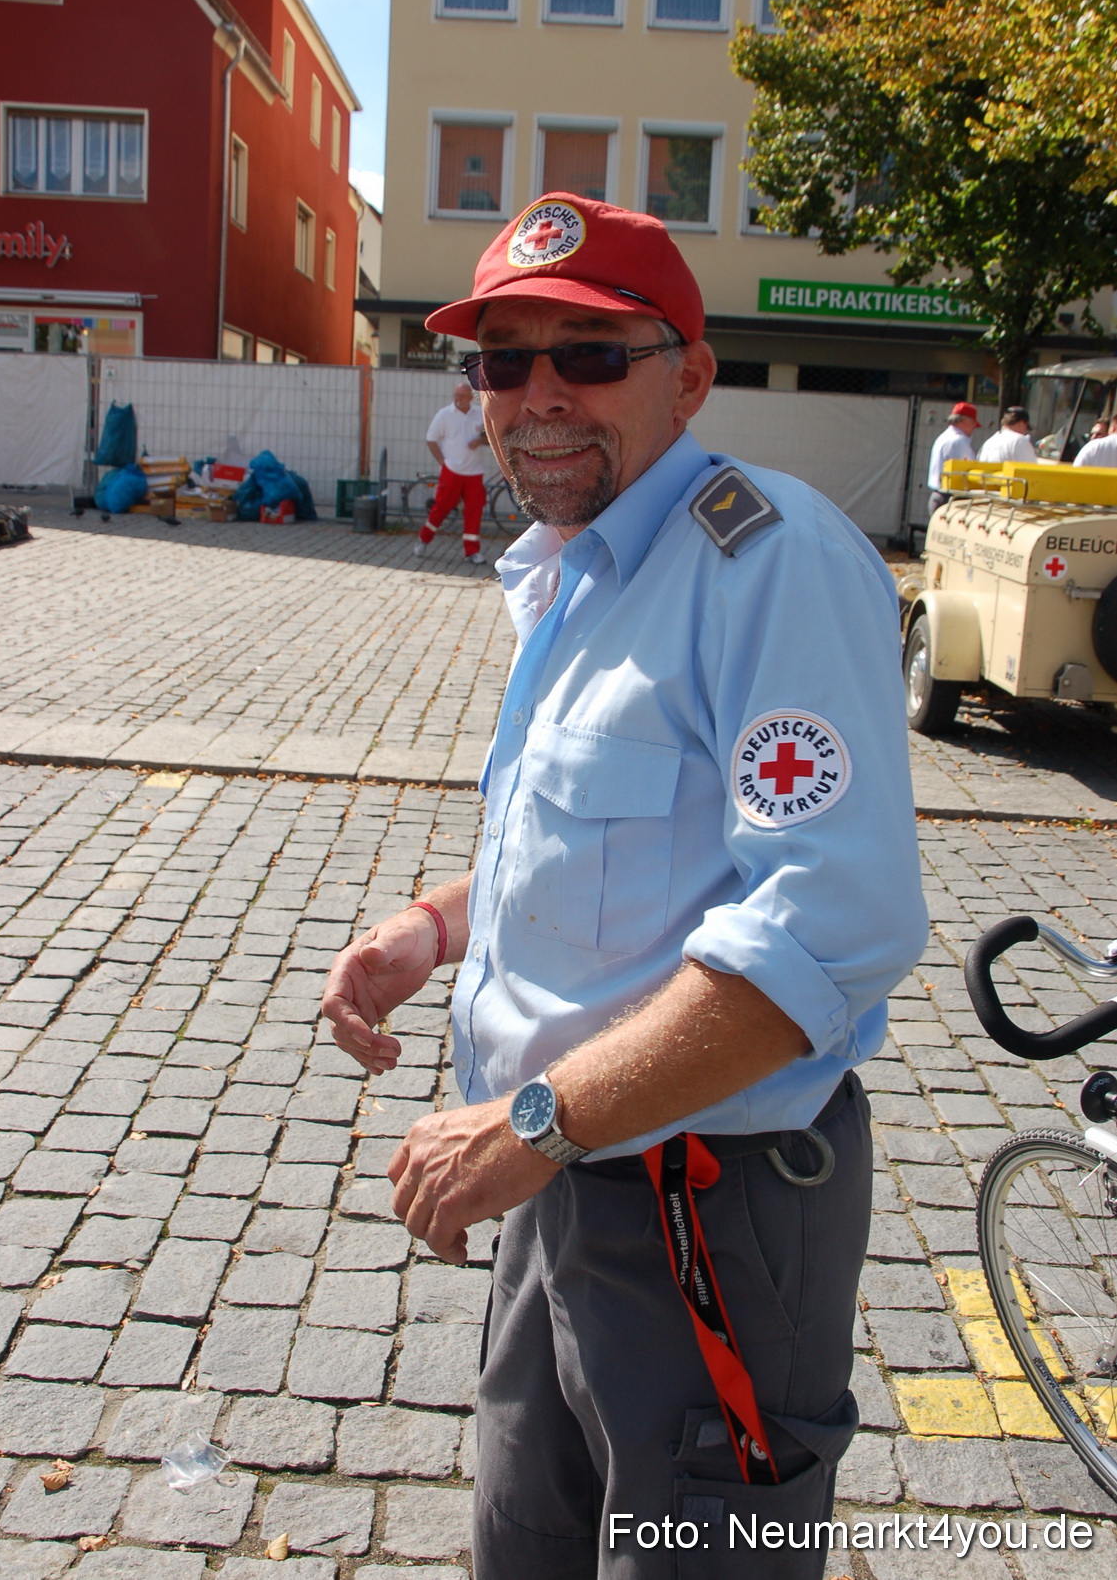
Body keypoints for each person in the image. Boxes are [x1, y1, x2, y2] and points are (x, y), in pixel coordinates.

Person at [322, 194, 928, 1580]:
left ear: (690, 376)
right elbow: (593, 840)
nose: (536, 395)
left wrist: (534, 1117)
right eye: (500, 359)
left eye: (589, 354)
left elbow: (821, 936)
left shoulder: (766, 559)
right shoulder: (577, 568)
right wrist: (431, 928)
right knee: (525, 1549)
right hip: (558, 1178)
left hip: (699, 1203)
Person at [414, 381, 488, 563]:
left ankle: (472, 552)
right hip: (452, 470)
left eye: (462, 396)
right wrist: (442, 461)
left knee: (474, 510)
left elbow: (490, 437)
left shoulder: (480, 413)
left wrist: (480, 440)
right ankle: (424, 539)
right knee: (441, 507)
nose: (458, 399)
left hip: (474, 472)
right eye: (456, 395)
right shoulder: (444, 415)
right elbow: (431, 439)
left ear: (471, 397)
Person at [926, 400, 979, 512]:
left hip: (938, 496)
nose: (975, 427)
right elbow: (969, 473)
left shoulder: (944, 437)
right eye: (974, 422)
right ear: (964, 420)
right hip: (950, 500)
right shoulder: (959, 442)